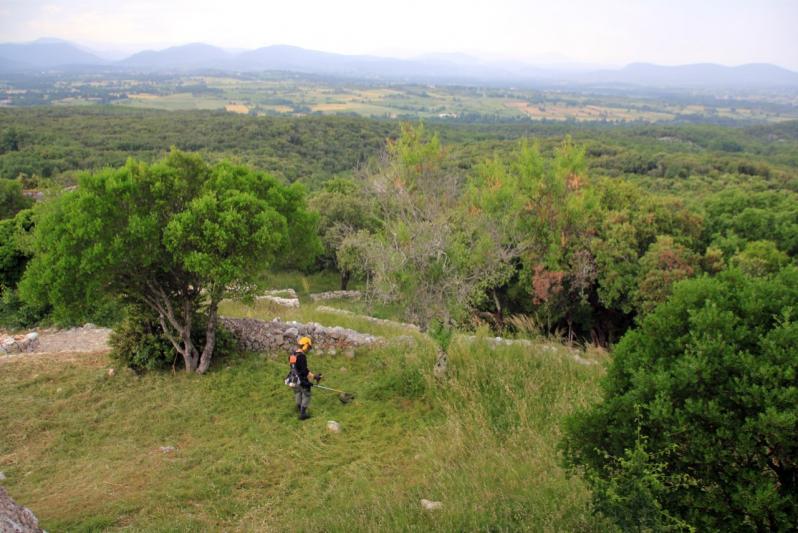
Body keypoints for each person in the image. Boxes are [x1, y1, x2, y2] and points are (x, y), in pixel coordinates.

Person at [289, 336, 321, 420]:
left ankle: (299, 407)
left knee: (297, 393)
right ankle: (303, 414)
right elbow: (304, 371)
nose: (308, 350)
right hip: (301, 379)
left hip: (293, 378)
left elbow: (294, 368)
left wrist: (314, 376)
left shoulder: (292, 354)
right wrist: (307, 382)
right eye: (309, 347)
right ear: (305, 345)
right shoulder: (302, 356)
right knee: (307, 394)